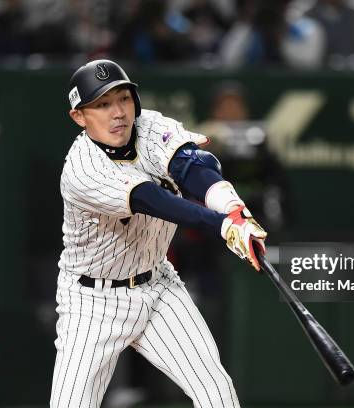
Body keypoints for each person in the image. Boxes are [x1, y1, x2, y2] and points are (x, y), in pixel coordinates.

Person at [50, 59, 267, 408]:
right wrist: (223, 226)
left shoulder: (149, 125)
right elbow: (151, 200)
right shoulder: (81, 169)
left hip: (158, 286)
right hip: (91, 300)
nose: (118, 112)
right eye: (103, 105)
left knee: (218, 393)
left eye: (123, 98)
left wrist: (230, 205)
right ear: (79, 116)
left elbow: (193, 165)